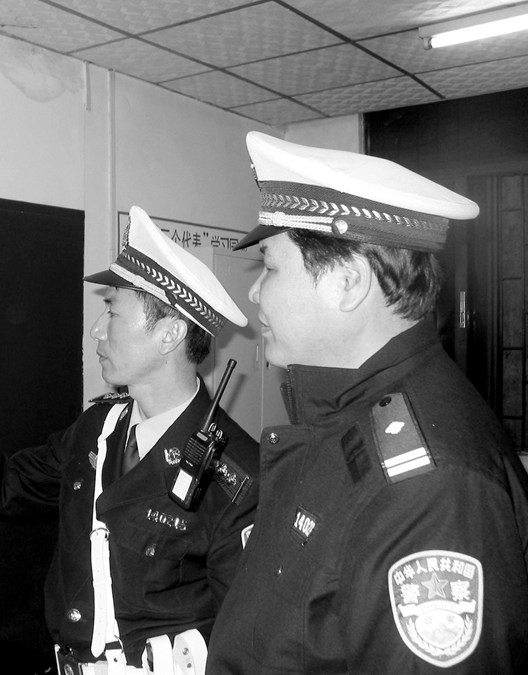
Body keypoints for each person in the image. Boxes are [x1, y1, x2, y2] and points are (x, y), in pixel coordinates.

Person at [0, 206, 260, 673]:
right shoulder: (99, 428)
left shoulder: (237, 474)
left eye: (112, 310)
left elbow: (245, 639)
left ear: (170, 334)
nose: (97, 329)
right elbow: (5, 485)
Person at [206, 132, 528, 674]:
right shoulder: (346, 413)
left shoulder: (428, 490)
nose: (256, 291)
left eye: (272, 267)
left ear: (348, 283)